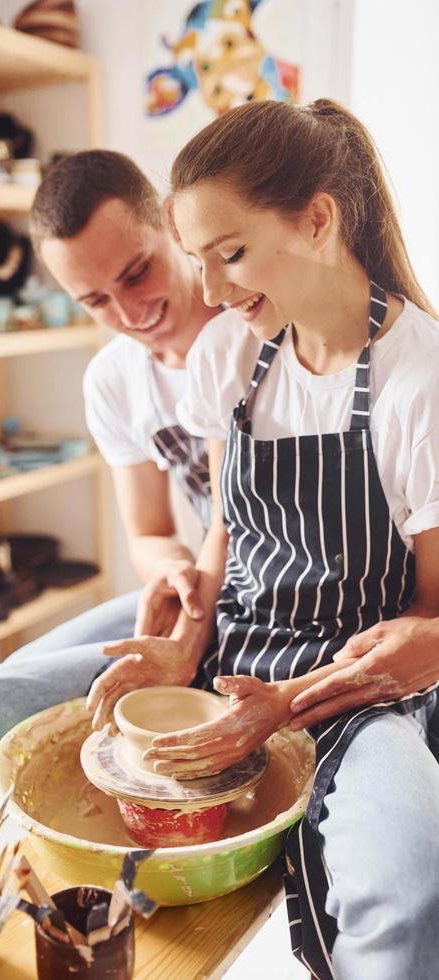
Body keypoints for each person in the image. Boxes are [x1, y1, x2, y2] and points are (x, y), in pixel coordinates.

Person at [0, 150, 258, 948]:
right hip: (191, 599)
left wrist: (189, 620)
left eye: (138, 273)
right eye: (95, 299)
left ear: (173, 225)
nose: (130, 309)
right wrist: (167, 571)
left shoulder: (248, 333)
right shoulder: (114, 377)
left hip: (250, 611)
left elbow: (237, 523)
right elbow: (147, 531)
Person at [88, 99, 439, 980]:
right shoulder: (231, 356)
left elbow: (430, 623)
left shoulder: (418, 379)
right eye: (198, 261)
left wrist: (283, 704)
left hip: (352, 687)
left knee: (412, 883)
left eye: (231, 254)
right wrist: (182, 641)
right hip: (236, 647)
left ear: (318, 220)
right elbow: (225, 532)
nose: (208, 291)